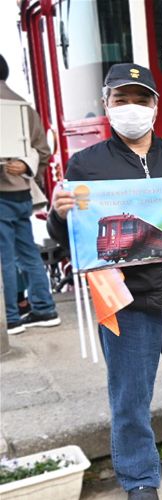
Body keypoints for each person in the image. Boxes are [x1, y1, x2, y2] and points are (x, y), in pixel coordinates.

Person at [47, 64, 162, 499]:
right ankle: (139, 477)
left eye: (141, 99)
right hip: (127, 301)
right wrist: (59, 214)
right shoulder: (86, 166)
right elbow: (71, 239)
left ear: (155, 106)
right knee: (130, 395)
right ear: (106, 105)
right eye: (121, 99)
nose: (132, 108)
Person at [1, 53, 60, 335]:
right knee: (28, 254)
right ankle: (44, 309)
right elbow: (43, 152)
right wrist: (25, 166)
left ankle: (10, 317)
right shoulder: (24, 106)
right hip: (21, 193)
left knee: (4, 257)